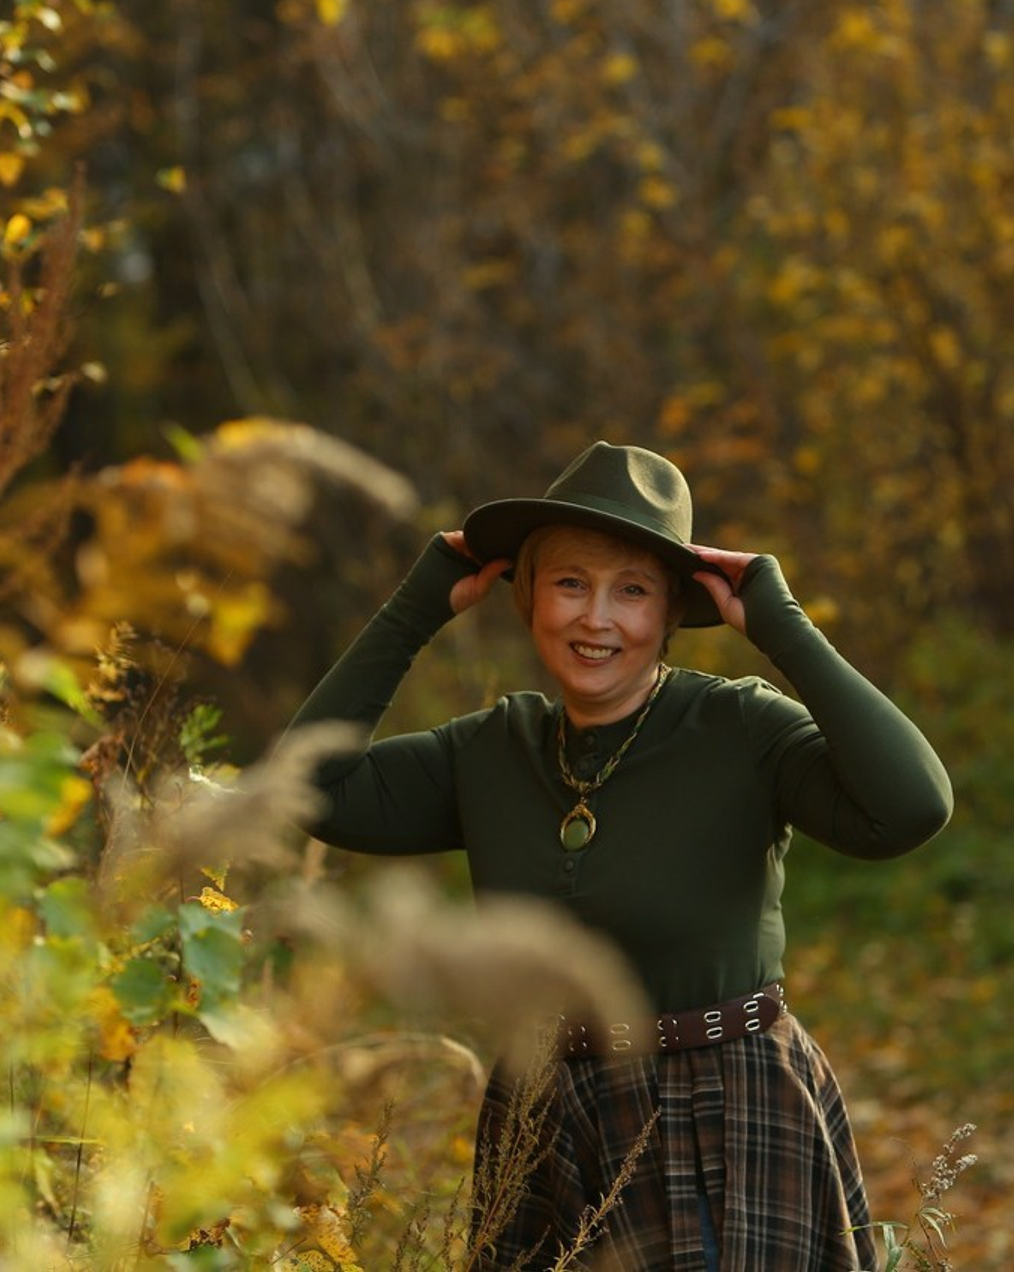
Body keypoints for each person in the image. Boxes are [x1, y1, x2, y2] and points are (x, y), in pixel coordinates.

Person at [288, 441, 953, 1271]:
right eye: (570, 583)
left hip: (725, 1112)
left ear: (670, 613)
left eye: (631, 591)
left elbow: (911, 808)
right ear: (527, 595)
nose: (596, 619)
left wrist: (783, 628)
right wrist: (417, 606)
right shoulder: (491, 751)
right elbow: (310, 789)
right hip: (542, 1122)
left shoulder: (741, 729)